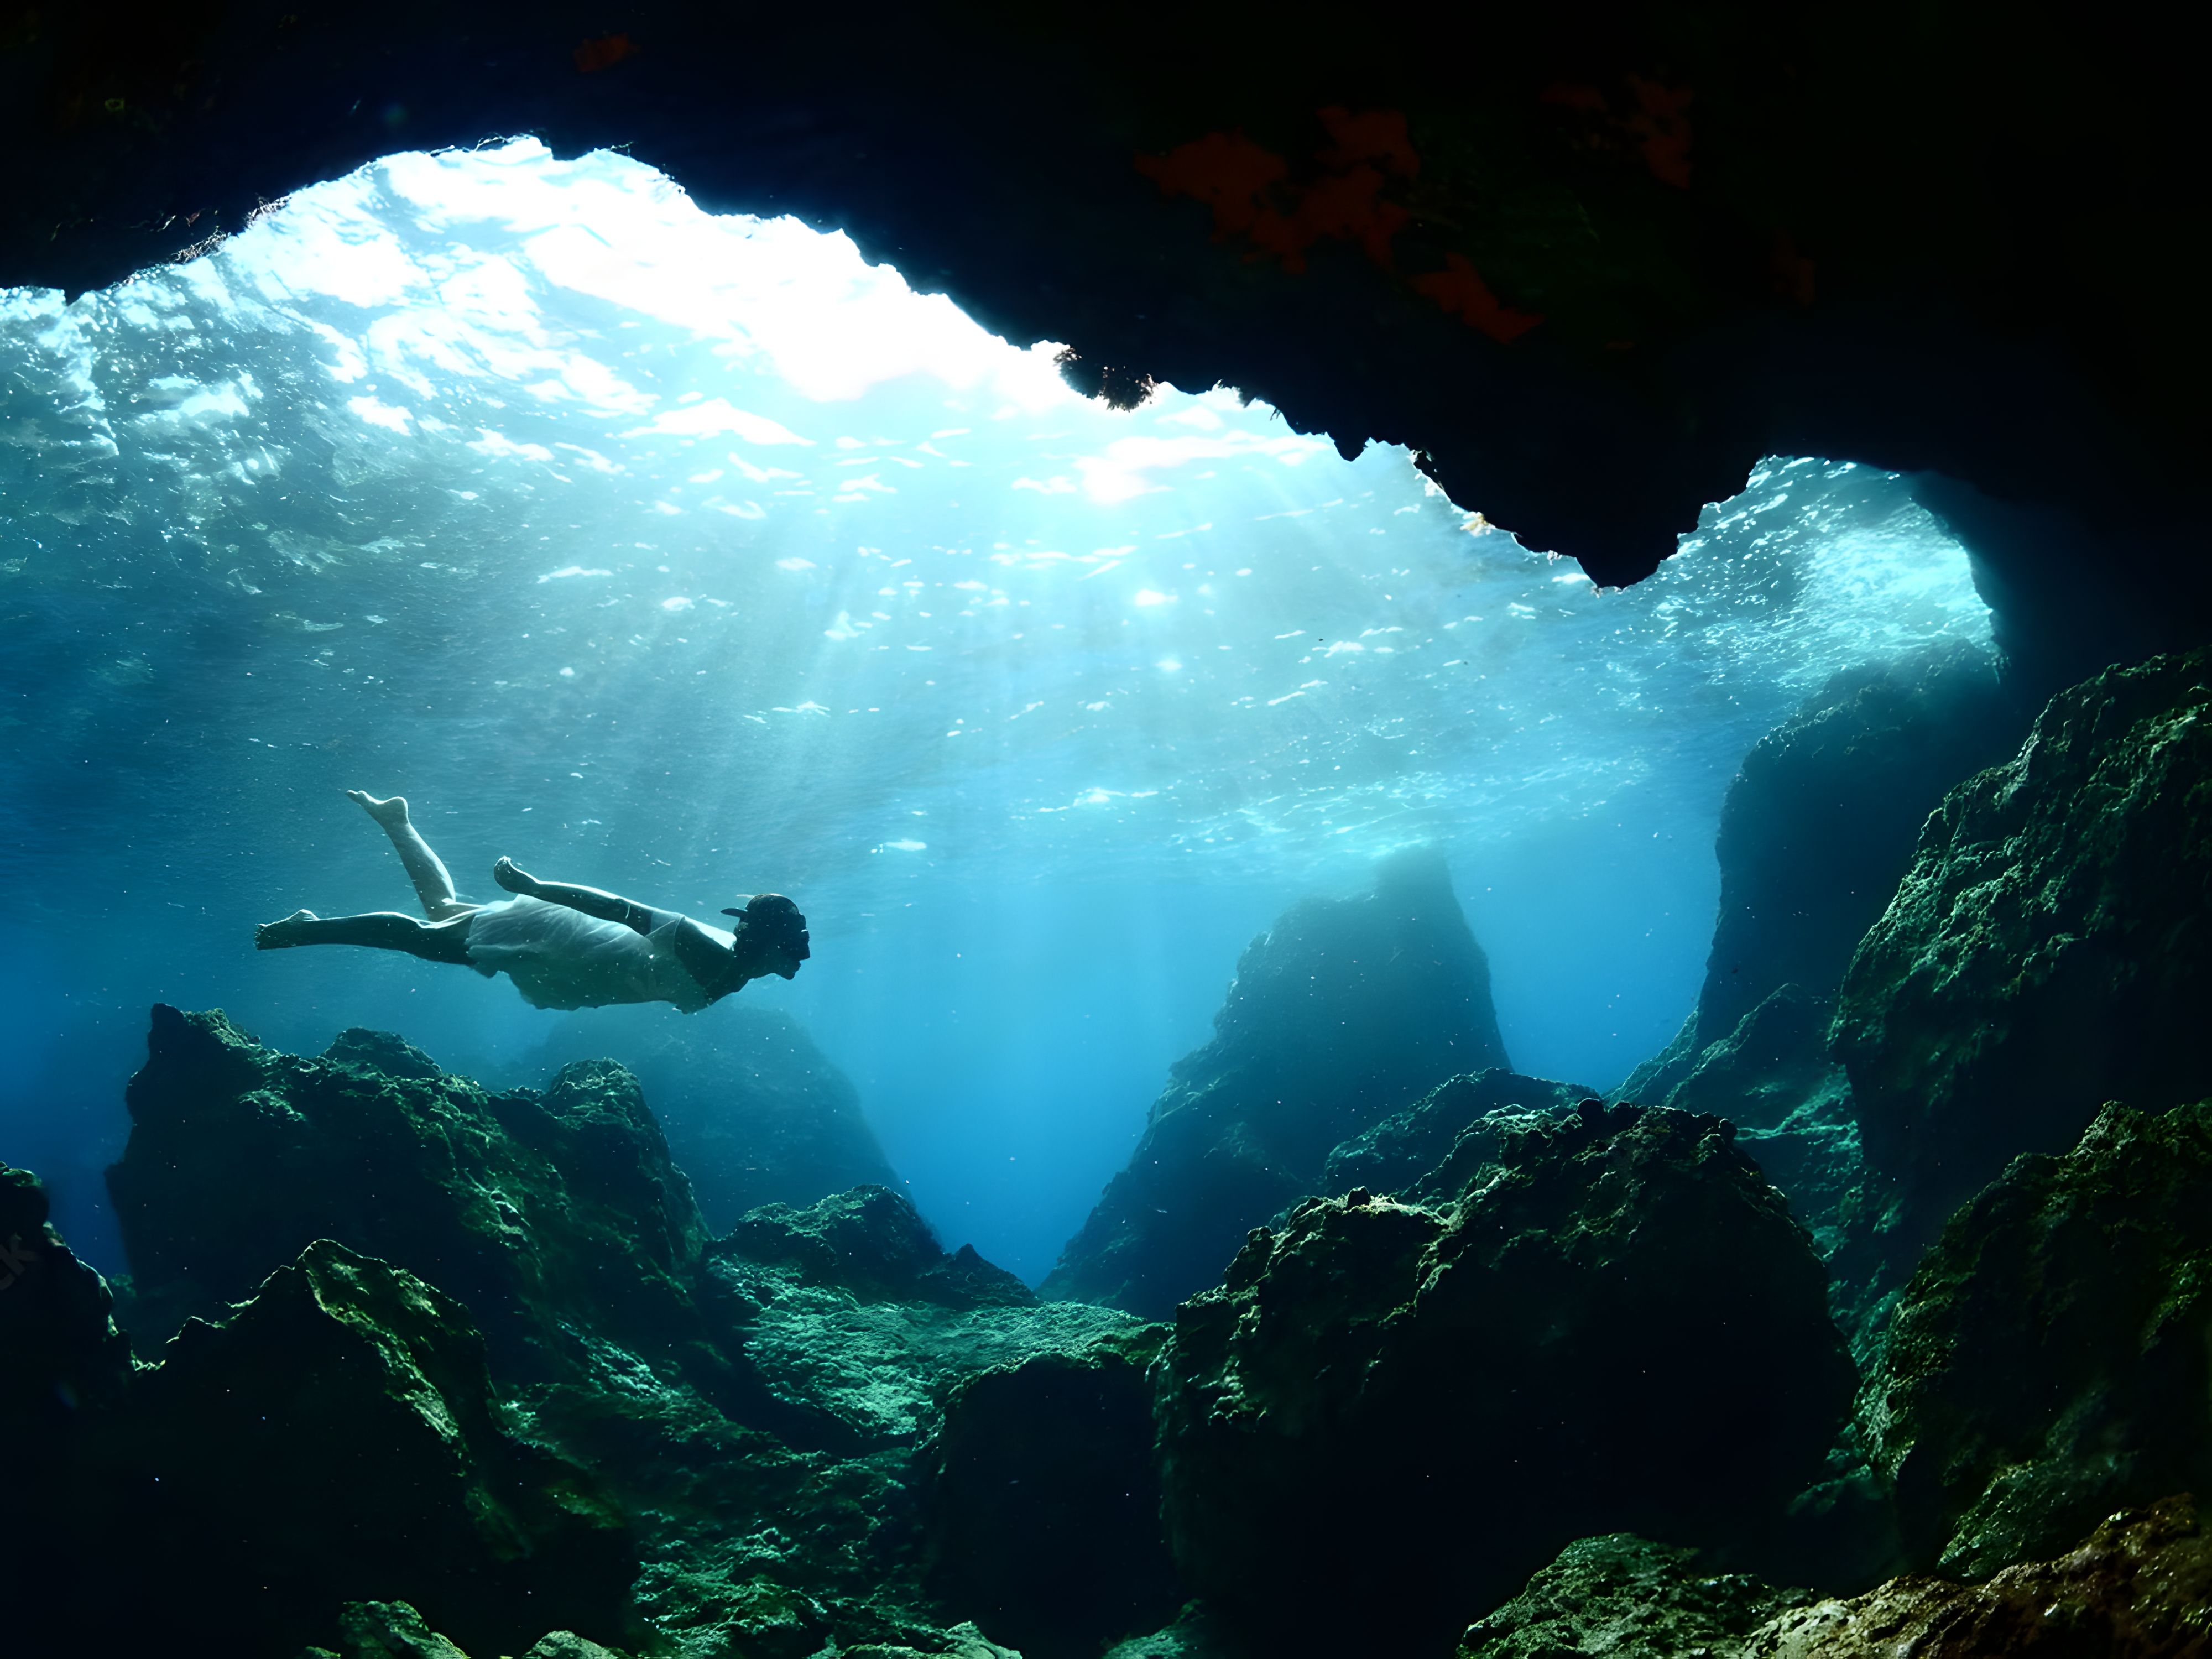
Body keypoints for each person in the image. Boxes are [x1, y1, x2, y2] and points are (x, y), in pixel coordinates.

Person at [254, 791, 810, 1013]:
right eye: (794, 952)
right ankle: (307, 928)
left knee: (444, 913)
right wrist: (535, 888)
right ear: (766, 947)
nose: (798, 964)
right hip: (564, 940)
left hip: (585, 962)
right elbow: (618, 907)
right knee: (430, 941)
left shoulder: (742, 969)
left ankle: (397, 822)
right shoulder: (703, 946)